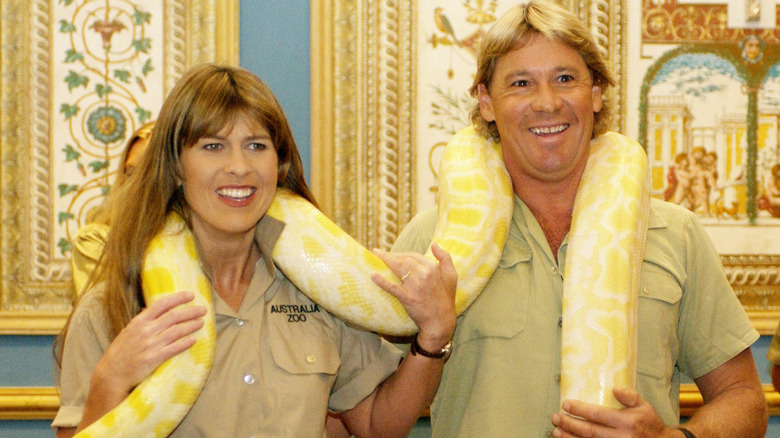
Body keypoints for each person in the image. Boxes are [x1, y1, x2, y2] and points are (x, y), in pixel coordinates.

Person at [392, 2, 767, 437]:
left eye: (565, 79)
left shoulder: (676, 234)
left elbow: (744, 399)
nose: (547, 103)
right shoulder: (433, 241)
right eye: (520, 83)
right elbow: (368, 408)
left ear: (596, 93)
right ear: (486, 102)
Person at [52, 64, 457, 437]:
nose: (240, 167)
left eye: (256, 145)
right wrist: (111, 380)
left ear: (278, 164)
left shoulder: (322, 289)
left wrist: (433, 337)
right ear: (176, 166)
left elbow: (376, 424)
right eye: (213, 146)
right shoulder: (113, 308)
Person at [70, 120, 155, 295]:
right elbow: (106, 319)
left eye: (151, 172)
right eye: (131, 173)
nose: (138, 184)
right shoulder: (96, 242)